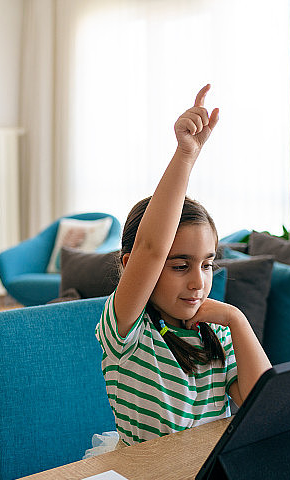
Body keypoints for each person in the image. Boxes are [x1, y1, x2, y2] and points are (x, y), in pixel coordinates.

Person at [94, 84, 272, 447]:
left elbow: (264, 409)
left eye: (206, 265)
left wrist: (236, 319)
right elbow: (150, 248)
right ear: (131, 266)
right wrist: (186, 155)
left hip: (204, 472)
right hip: (145, 476)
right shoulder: (128, 330)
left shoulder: (217, 330)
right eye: (179, 266)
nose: (198, 282)